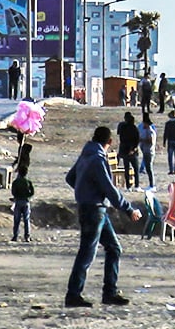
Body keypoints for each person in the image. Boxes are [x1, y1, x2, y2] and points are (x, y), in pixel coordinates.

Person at [64, 126, 142, 308]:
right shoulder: (98, 160)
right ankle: (73, 294)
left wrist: (84, 190)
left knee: (114, 248)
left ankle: (110, 293)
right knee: (87, 252)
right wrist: (129, 210)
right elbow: (109, 189)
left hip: (94, 208)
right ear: (110, 142)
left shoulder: (85, 154)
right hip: (94, 210)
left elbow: (70, 178)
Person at [116, 112, 141, 191]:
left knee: (126, 169)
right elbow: (137, 140)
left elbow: (120, 136)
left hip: (124, 150)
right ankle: (136, 186)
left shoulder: (122, 127)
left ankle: (128, 186)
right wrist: (133, 149)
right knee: (136, 169)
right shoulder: (134, 128)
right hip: (133, 151)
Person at [11, 164, 35, 242]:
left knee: (16, 220)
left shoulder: (16, 182)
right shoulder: (28, 182)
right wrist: (28, 196)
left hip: (18, 202)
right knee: (26, 219)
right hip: (26, 201)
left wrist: (17, 196)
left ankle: (15, 236)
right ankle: (27, 236)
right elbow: (32, 192)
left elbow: (13, 192)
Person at [137, 113, 157, 190]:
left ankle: (152, 185)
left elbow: (150, 141)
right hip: (146, 151)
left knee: (149, 168)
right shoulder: (147, 131)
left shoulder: (151, 132)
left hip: (149, 152)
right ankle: (151, 185)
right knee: (148, 168)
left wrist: (142, 140)